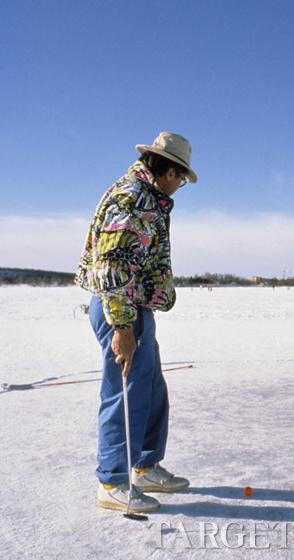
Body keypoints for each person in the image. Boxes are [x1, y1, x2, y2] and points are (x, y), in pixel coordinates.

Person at [76, 131, 198, 513]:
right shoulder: (134, 199)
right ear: (167, 169)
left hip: (136, 307)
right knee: (124, 392)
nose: (181, 185)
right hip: (120, 308)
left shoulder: (152, 199)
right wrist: (123, 328)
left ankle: (144, 465)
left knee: (150, 389)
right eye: (180, 177)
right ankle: (112, 481)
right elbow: (111, 268)